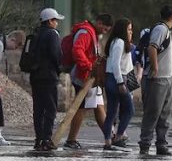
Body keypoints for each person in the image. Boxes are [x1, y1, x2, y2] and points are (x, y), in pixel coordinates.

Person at [64, 13, 114, 149]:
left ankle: (110, 138)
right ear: (99, 23)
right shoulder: (86, 33)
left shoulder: (91, 33)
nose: (104, 32)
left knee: (99, 106)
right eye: (104, 29)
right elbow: (77, 50)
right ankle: (71, 140)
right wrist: (89, 65)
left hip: (90, 77)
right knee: (82, 107)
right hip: (83, 76)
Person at [138, 5, 172, 156]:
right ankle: (145, 145)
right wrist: (155, 68)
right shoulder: (161, 29)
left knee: (164, 114)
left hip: (166, 78)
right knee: (152, 113)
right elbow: (152, 48)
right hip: (157, 79)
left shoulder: (165, 30)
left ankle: (161, 144)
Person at [29, 8, 64, 151]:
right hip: (49, 76)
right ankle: (47, 139)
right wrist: (60, 68)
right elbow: (56, 55)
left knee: (38, 109)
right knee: (50, 108)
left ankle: (38, 138)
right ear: (49, 21)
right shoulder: (52, 34)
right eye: (55, 20)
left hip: (35, 76)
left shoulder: (36, 34)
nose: (56, 23)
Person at [101, 18, 136, 150]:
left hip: (113, 78)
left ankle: (108, 141)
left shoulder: (116, 42)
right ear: (122, 30)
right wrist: (121, 82)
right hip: (117, 79)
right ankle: (119, 136)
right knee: (129, 110)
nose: (130, 32)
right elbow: (115, 64)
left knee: (111, 112)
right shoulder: (119, 42)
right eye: (128, 29)